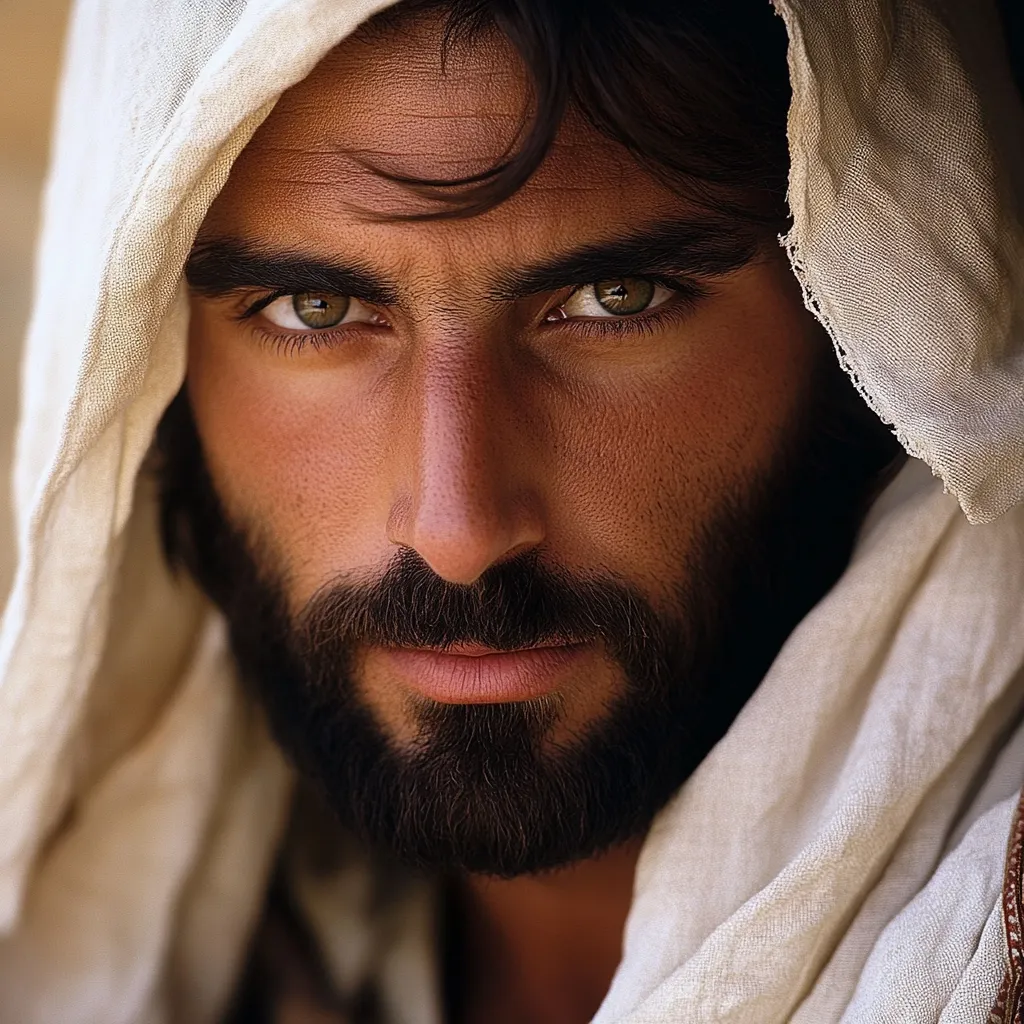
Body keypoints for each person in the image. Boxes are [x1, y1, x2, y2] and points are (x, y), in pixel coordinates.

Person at [0, 1, 1022, 1022]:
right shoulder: (208, 960)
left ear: (865, 331)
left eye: (614, 300)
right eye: (314, 310)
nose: (457, 530)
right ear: (157, 377)